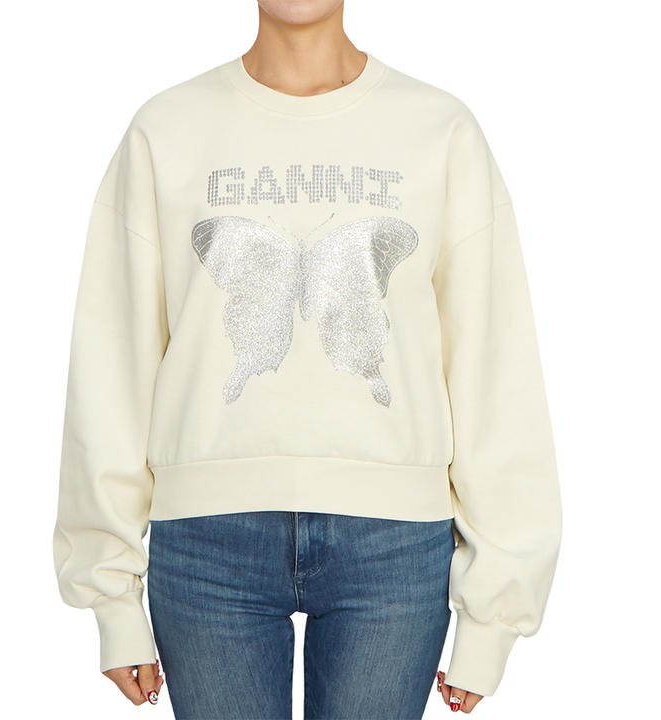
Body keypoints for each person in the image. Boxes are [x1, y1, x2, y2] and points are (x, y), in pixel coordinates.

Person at [52, 1, 563, 717]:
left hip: (393, 543)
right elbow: (112, 362)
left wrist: (495, 615)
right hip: (207, 540)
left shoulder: (439, 130)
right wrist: (110, 596)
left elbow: (493, 365)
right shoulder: (165, 130)